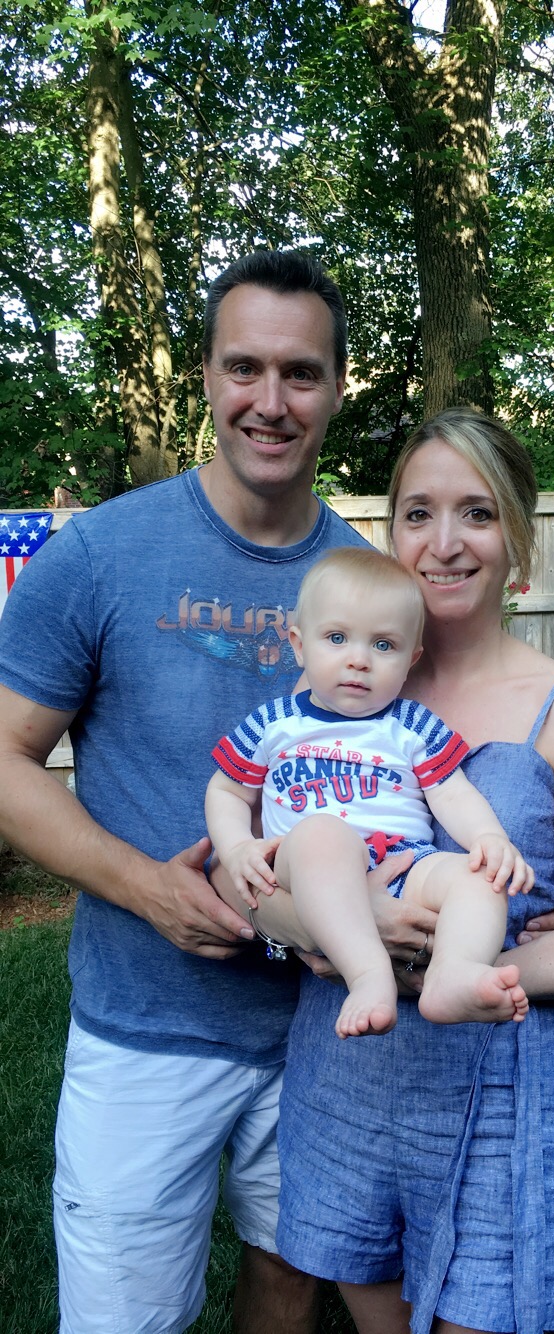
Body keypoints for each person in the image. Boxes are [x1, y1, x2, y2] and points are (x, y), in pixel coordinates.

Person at [0, 251, 437, 1333]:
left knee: (290, 1287)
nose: (271, 401)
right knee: (124, 1316)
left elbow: (429, 768)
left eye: (301, 372)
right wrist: (146, 887)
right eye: (245, 367)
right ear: (205, 375)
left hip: (323, 1030)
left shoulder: (370, 586)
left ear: (338, 387)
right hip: (145, 1031)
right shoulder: (101, 553)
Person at [244, 408, 554, 1334]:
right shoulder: (333, 694)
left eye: (476, 512)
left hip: (497, 1092)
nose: (443, 542)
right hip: (348, 1077)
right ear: (391, 532)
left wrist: (446, 966)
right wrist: (318, 927)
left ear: (518, 537)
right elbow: (261, 883)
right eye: (417, 512)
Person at [206, 546, 533, 1039]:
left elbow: (452, 793)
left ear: (411, 659)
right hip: (310, 864)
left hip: (403, 861)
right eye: (337, 638)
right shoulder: (275, 723)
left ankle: (453, 973)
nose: (358, 660)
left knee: (479, 880)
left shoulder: (412, 726)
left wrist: (489, 838)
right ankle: (368, 974)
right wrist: (236, 848)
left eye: (383, 645)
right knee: (323, 834)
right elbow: (228, 791)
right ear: (299, 645)